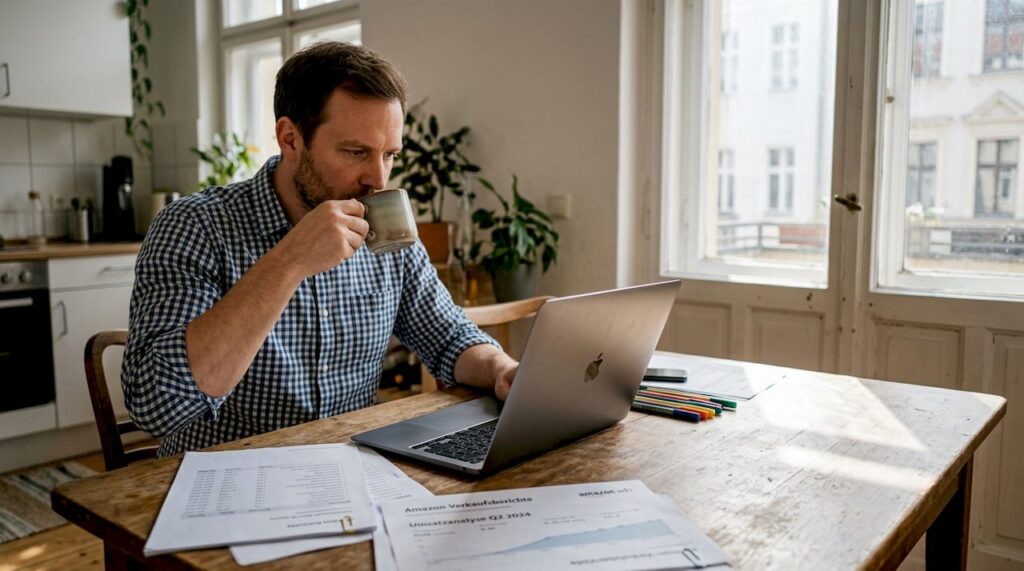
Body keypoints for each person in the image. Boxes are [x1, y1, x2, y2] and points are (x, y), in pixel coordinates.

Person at [122, 42, 517, 457]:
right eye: (356, 152)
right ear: (290, 138)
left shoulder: (384, 226)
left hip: (354, 479)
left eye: (389, 155)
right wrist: (290, 261)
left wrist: (503, 369)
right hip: (224, 483)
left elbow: (448, 336)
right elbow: (156, 407)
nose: (378, 179)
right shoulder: (195, 226)